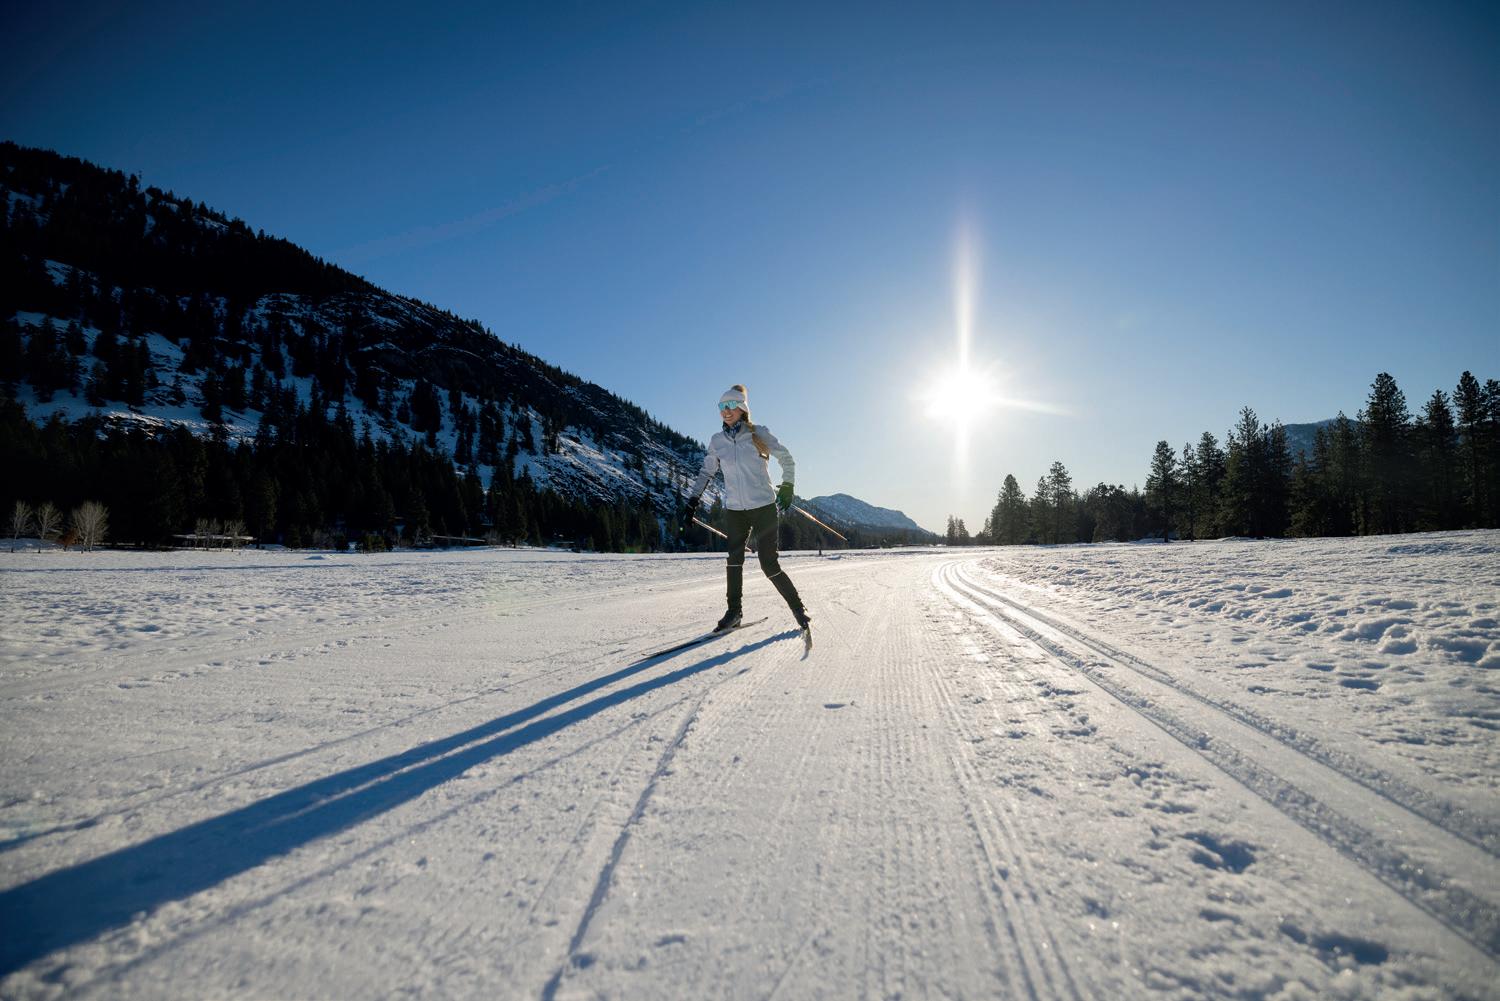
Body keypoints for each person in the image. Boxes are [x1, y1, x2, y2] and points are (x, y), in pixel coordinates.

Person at [682, 384, 811, 642]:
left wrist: (788, 485)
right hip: (735, 510)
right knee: (733, 560)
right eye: (721, 407)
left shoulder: (757, 433)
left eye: (730, 405)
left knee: (769, 564)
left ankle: (798, 609)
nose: (725, 411)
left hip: (763, 507)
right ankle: (734, 612)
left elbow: (786, 458)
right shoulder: (717, 441)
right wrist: (693, 500)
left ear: (742, 408)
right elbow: (706, 472)